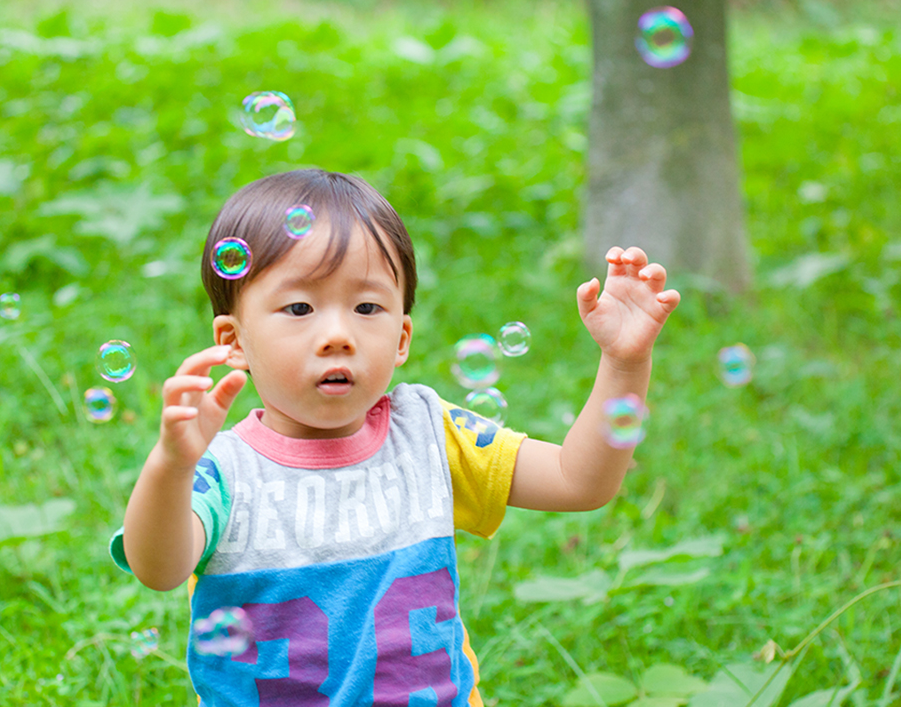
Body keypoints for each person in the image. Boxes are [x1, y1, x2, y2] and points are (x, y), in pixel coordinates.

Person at [110, 168, 680, 706]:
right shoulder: (221, 470)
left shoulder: (429, 433)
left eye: (366, 306)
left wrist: (624, 363)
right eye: (300, 306)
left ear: (402, 336)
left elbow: (578, 481)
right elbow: (157, 568)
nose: (338, 335)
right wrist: (170, 465)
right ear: (233, 340)